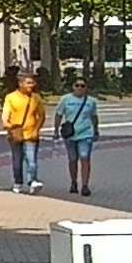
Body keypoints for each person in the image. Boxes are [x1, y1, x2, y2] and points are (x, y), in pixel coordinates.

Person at [55, 70, 102, 199]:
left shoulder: (90, 101)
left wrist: (96, 130)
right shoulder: (65, 99)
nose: (80, 88)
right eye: (77, 85)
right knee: (72, 160)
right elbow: (59, 115)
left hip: (86, 134)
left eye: (83, 86)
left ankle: (85, 185)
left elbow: (94, 117)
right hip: (70, 134)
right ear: (73, 87)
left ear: (86, 88)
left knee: (85, 157)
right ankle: (74, 182)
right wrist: (56, 130)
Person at [0, 67, 48, 193]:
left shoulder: (36, 98)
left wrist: (36, 129)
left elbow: (41, 116)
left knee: (31, 159)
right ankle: (18, 182)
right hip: (16, 133)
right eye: (28, 83)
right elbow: (6, 113)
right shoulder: (11, 97)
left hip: (31, 133)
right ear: (21, 84)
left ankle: (32, 181)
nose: (31, 85)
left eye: (33, 83)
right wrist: (7, 124)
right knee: (17, 159)